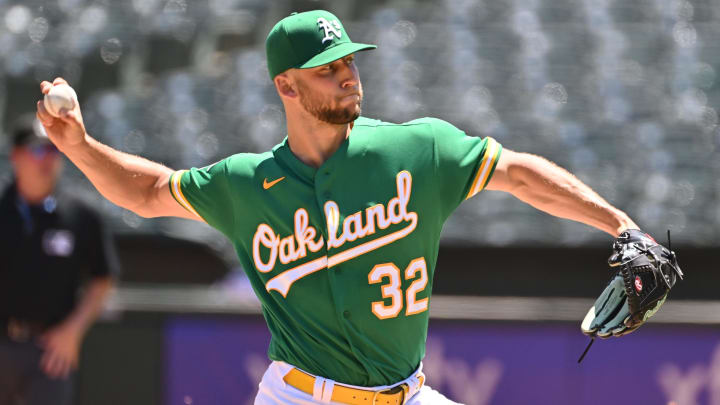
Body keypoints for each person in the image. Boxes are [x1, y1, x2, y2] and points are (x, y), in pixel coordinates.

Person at [35, 10, 653, 405]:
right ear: (286, 85)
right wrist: (80, 146)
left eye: (350, 61)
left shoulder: (417, 148)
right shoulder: (248, 184)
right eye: (328, 69)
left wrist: (622, 225)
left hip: (406, 395)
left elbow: (519, 173)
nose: (348, 75)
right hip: (301, 398)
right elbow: (147, 192)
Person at [0, 115, 119, 405]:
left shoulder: (81, 215)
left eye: (54, 151)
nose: (48, 160)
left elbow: (103, 278)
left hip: (50, 352)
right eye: (38, 150)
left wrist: (73, 331)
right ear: (16, 156)